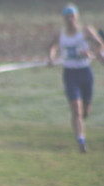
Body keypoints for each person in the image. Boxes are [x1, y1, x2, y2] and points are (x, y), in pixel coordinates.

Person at [48, 3, 104, 153]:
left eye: (72, 16)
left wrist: (90, 53)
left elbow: (99, 44)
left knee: (85, 110)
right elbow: (52, 46)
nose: (70, 19)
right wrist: (51, 58)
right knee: (76, 109)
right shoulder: (60, 34)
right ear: (64, 19)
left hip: (85, 73)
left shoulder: (85, 31)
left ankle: (82, 117)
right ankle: (81, 141)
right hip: (70, 74)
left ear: (76, 17)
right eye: (67, 17)